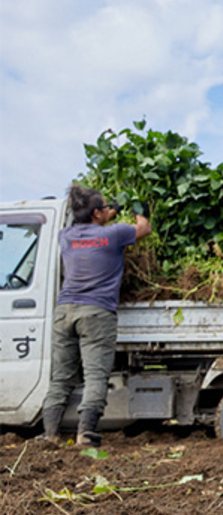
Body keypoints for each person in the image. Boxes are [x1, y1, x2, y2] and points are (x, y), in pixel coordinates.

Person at [39, 184, 151, 447]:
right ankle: (85, 433)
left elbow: (93, 229)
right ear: (97, 213)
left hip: (64, 311)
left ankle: (50, 435)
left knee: (61, 377)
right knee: (95, 375)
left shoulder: (65, 236)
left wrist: (110, 210)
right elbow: (144, 229)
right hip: (96, 313)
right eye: (104, 207)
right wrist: (140, 211)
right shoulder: (115, 234)